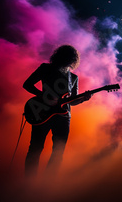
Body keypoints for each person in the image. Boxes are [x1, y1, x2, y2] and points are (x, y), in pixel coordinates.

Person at [23, 45, 91, 177]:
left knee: (58, 151)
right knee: (36, 148)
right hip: (42, 112)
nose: (68, 60)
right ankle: (28, 183)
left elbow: (72, 101)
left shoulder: (74, 78)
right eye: (66, 57)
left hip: (63, 117)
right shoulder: (45, 68)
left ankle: (48, 183)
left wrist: (84, 99)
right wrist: (42, 96)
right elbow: (27, 84)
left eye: (70, 58)